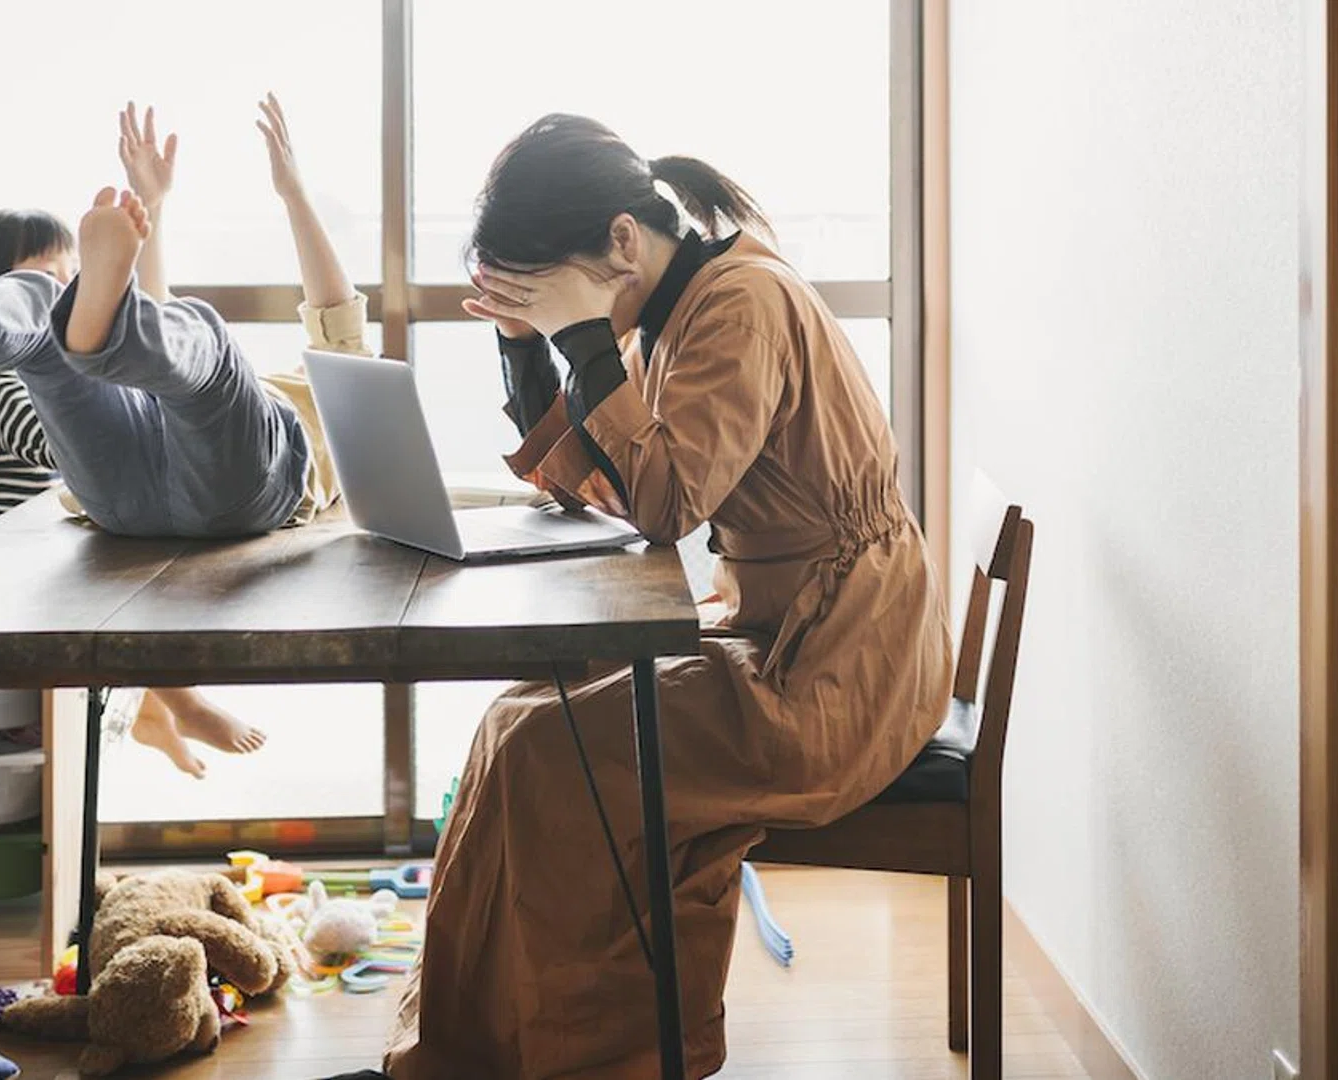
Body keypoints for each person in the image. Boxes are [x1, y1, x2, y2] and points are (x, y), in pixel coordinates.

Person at [352, 115, 955, 1080]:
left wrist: (582, 332)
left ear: (621, 244)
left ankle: (599, 1057)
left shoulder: (740, 305)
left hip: (841, 662)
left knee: (556, 757)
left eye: (552, 287)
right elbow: (605, 475)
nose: (556, 311)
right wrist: (531, 346)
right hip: (781, 628)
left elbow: (666, 505)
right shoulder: (678, 310)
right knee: (515, 723)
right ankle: (461, 1051)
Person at [0, 96, 367, 776]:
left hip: (139, 504)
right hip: (141, 501)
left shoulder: (315, 388)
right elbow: (195, 330)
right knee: (129, 332)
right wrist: (158, 213)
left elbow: (317, 315)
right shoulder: (324, 397)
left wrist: (291, 192)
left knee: (193, 348)